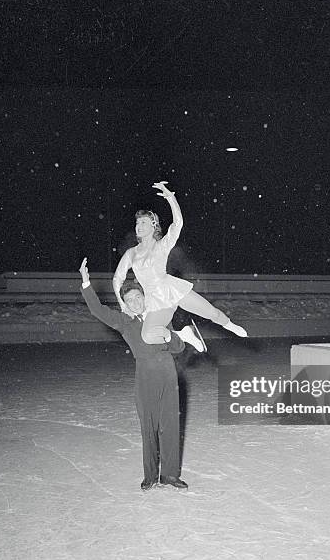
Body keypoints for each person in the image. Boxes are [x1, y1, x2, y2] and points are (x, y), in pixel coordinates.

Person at [79, 257, 203, 491]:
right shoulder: (125, 322)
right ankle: (150, 475)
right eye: (130, 300)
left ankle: (169, 475)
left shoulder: (160, 318)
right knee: (149, 427)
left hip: (168, 375)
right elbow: (98, 310)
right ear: (125, 304)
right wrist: (86, 284)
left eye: (138, 297)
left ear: (145, 297)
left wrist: (169, 337)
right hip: (145, 377)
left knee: (170, 425)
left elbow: (179, 348)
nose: (135, 302)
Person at [113, 181, 249, 345]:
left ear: (153, 226)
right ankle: (183, 335)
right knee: (148, 337)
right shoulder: (131, 253)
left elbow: (178, 224)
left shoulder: (161, 245)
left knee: (212, 314)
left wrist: (170, 198)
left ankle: (230, 325)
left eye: (143, 222)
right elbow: (117, 279)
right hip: (154, 300)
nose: (138, 226)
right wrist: (123, 305)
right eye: (137, 223)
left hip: (172, 289)